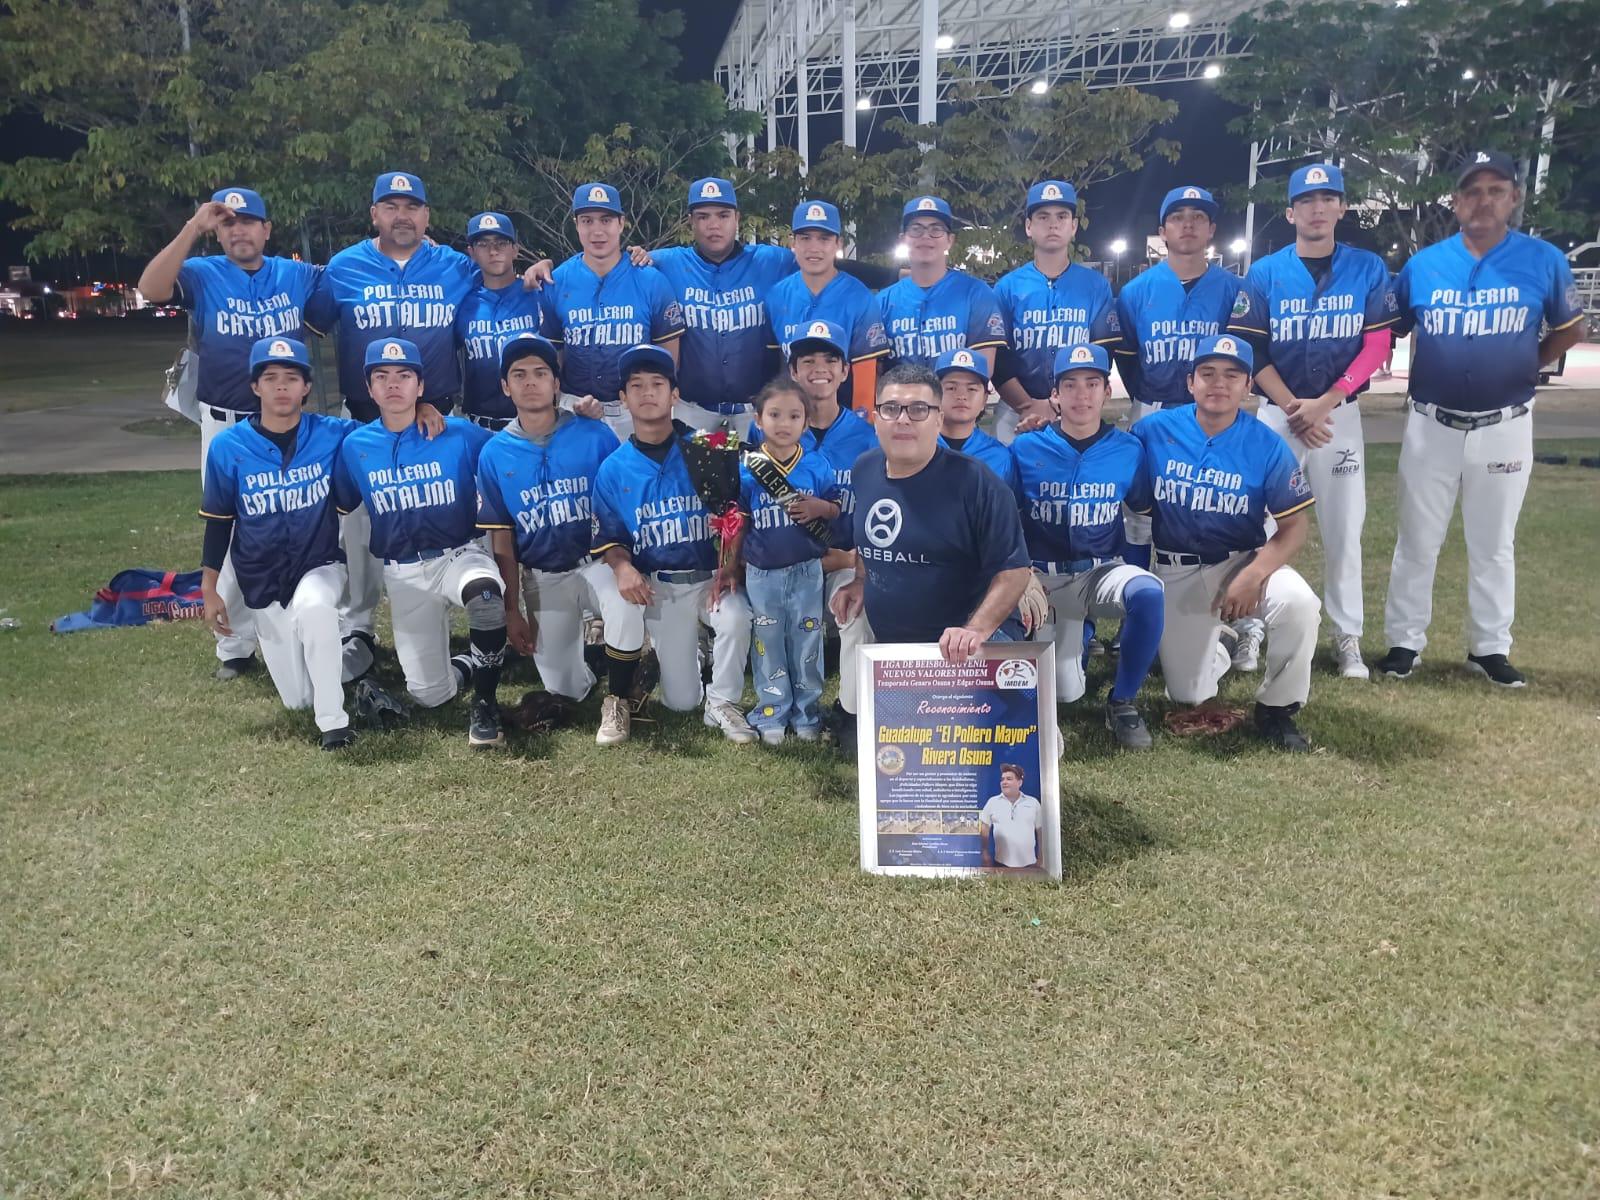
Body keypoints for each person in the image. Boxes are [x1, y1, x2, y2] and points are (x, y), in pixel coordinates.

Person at [1378, 150, 1587, 686]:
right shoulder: (1425, 264)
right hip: (1431, 422)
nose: (1484, 200)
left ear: (1514, 198)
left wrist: (1526, 364)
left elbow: (1570, 330)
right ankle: (1405, 642)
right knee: (1416, 539)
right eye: (1473, 191)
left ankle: (1489, 647)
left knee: (1494, 543)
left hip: (1505, 422)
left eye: (1496, 190)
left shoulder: (1542, 259)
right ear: (1456, 201)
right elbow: (1390, 327)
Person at [138, 186, 322, 680]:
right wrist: (191, 228)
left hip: (291, 425)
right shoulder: (203, 273)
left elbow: (343, 296)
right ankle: (235, 647)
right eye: (226, 223)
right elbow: (151, 289)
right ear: (217, 232)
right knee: (234, 529)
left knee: (298, 524)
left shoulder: (297, 273)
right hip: (226, 426)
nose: (238, 230)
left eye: (247, 221)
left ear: (266, 229)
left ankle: (312, 626)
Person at [1227, 164, 1398, 680]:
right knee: (1255, 525)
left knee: (1345, 527)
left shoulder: (1367, 267)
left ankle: (1348, 637)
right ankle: (1250, 628)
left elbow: (1378, 342)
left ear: (1342, 208)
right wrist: (1295, 408)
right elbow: (1251, 349)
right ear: (1290, 211)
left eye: (1327, 199)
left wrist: (1328, 400)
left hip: (1338, 415)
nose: (1317, 209)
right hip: (1277, 417)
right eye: (1307, 201)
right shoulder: (1265, 272)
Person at [305, 172, 476, 671]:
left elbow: (503, 278)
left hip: (440, 419)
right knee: (358, 529)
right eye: (391, 206)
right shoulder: (343, 267)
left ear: (427, 215)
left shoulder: (456, 266)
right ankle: (357, 626)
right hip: (363, 419)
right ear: (374, 213)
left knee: (450, 518)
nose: (403, 215)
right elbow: (312, 323)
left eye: (413, 206)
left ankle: (461, 616)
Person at [1133, 335, 1320, 751]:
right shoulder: (1153, 429)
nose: (1219, 384)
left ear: (1248, 385)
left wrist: (1253, 575)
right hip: (1175, 567)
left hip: (1242, 559)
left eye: (1232, 375)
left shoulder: (1266, 443)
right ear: (1190, 382)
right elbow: (1103, 453)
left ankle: (1277, 707)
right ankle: (1222, 642)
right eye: (1208, 374)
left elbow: (1295, 527)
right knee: (1188, 696)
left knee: (1300, 604)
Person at [332, 338, 508, 749]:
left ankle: (485, 704)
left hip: (459, 554)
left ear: (421, 385)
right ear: (370, 389)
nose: (394, 384)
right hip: (404, 573)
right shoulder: (355, 446)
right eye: (382, 377)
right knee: (430, 695)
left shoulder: (458, 433)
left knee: (485, 599)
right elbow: (343, 502)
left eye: (404, 376)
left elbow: (514, 446)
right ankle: (472, 662)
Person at [474, 334, 647, 745]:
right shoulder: (494, 453)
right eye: (519, 375)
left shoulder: (594, 434)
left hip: (597, 562)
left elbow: (621, 505)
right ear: (505, 386)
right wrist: (512, 608)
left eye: (540, 373)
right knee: (566, 690)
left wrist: (627, 565)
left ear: (556, 383)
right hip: (544, 575)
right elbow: (502, 542)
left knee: (625, 601)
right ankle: (605, 658)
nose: (530, 382)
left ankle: (620, 695)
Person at [589, 345, 757, 742]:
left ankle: (723, 703)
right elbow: (609, 536)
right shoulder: (614, 468)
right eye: (637, 385)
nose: (648, 392)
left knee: (735, 617)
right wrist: (622, 566)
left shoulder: (711, 448)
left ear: (675, 395)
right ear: (623, 398)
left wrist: (733, 564)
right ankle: (690, 658)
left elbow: (743, 507)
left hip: (710, 577)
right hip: (661, 586)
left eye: (658, 384)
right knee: (680, 701)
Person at [198, 337, 354, 749]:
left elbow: (393, 425)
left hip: (318, 562)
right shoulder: (228, 447)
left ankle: (334, 724)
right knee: (297, 700)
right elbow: (219, 522)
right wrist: (209, 587)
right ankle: (354, 659)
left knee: (317, 609)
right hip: (261, 577)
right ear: (256, 387)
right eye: (270, 378)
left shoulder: (333, 434)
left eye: (291, 378)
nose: (281, 387)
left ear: (306, 387)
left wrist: (424, 408)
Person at [1012, 344, 1163, 750]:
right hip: (1040, 578)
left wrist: (1134, 573)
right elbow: (1006, 522)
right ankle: (1075, 640)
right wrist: (1020, 573)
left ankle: (1123, 701)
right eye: (1071, 384)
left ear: (1106, 391)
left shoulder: (1129, 449)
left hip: (1098, 573)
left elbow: (1139, 517)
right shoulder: (1025, 447)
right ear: (1055, 395)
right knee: (1065, 693)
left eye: (1092, 383)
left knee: (1148, 593)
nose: (1082, 394)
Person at [829, 363, 1032, 665]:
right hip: (894, 642)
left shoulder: (977, 483)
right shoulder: (864, 469)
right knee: (859, 707)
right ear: (875, 419)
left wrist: (974, 630)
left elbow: (1014, 572)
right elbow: (869, 539)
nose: (903, 420)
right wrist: (860, 579)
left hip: (966, 641)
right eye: (891, 408)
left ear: (939, 419)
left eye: (918, 409)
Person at [1111, 186, 1243, 577]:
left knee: (1212, 510)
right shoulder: (1136, 292)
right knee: (1139, 516)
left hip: (1213, 418)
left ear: (1211, 229)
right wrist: (1147, 398)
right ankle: (1137, 618)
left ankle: (1209, 617)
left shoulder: (1233, 289)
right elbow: (1129, 359)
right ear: (1162, 231)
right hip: (1152, 409)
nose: (1188, 225)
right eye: (1178, 218)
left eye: (1198, 218)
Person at [773, 321, 882, 751]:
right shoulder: (767, 435)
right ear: (794, 372)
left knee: (858, 614)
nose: (819, 369)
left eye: (830, 360)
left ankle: (851, 712)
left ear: (844, 371)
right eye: (808, 361)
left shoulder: (869, 435)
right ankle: (777, 705)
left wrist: (854, 565)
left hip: (844, 562)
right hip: (781, 565)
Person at [648, 178, 797, 438]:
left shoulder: (771, 261)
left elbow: (823, 265)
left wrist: (891, 274)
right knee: (689, 478)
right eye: (703, 216)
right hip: (691, 410)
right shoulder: (668, 262)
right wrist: (552, 271)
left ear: (737, 218)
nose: (713, 225)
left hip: (757, 410)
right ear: (691, 222)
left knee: (753, 479)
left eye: (723, 215)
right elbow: (611, 264)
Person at [737, 378, 842, 744]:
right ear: (758, 419)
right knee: (767, 642)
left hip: (807, 571)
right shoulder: (747, 468)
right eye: (775, 414)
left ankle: (807, 713)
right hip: (762, 572)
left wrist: (821, 508)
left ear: (806, 420)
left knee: (807, 641)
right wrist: (729, 567)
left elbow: (839, 506)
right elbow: (738, 522)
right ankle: (771, 712)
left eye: (794, 415)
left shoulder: (816, 464)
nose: (784, 423)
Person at [541, 182, 686, 440]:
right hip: (575, 406)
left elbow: (668, 357)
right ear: (576, 224)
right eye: (587, 221)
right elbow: (554, 357)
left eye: (606, 220)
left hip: (635, 408)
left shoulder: (651, 280)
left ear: (621, 223)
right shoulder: (557, 281)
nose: (597, 230)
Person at [991, 180, 1117, 444]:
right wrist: (1027, 405)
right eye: (1043, 216)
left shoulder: (1095, 285)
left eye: (1062, 216)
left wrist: (1062, 404)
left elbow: (1103, 354)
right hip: (1014, 411)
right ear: (1028, 226)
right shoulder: (1007, 287)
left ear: (1073, 226)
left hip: (1075, 409)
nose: (1053, 224)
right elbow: (998, 357)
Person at [765, 199, 892, 412]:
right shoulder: (776, 295)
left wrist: (860, 427)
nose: (814, 248)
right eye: (805, 238)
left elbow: (866, 376)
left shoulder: (859, 296)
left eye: (824, 238)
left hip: (842, 419)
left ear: (838, 244)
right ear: (792, 243)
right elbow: (773, 369)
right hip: (791, 420)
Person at [877, 196, 1008, 372]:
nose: (925, 237)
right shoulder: (882, 302)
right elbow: (875, 375)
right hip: (900, 399)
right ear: (903, 239)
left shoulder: (976, 293)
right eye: (916, 229)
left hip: (957, 398)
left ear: (950, 240)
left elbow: (983, 370)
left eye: (936, 229)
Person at [454, 211, 552, 431]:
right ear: (471, 252)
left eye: (501, 242)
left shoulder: (537, 293)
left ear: (515, 249)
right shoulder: (462, 303)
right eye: (483, 244)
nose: (493, 251)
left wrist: (548, 262)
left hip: (534, 424)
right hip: (478, 424)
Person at [933, 348, 1019, 489]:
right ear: (935, 394)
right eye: (951, 388)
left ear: (985, 399)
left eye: (971, 389)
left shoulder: (999, 456)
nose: (961, 396)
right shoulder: (917, 446)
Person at [978, 765, 1043, 870]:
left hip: (1029, 865)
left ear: (1019, 783)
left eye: (1009, 779)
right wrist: (984, 852)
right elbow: (984, 828)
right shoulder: (992, 802)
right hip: (1001, 864)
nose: (1004, 782)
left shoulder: (1033, 803)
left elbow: (1040, 832)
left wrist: (1041, 857)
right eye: (1002, 779)